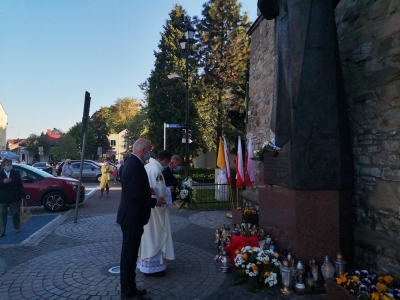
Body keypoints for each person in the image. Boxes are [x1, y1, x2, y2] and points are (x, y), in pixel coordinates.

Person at [117, 138, 166, 300]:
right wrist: (155, 201)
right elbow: (136, 195)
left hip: (130, 216)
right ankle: (128, 293)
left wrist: (149, 189)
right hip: (132, 217)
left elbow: (135, 188)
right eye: (149, 150)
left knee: (130, 256)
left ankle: (131, 288)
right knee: (129, 257)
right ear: (144, 150)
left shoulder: (130, 163)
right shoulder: (135, 165)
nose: (150, 154)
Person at [137, 150, 174, 277]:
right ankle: (154, 269)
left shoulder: (147, 166)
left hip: (148, 209)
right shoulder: (156, 171)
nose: (166, 164)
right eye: (167, 162)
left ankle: (148, 266)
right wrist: (169, 191)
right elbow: (159, 192)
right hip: (155, 211)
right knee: (155, 237)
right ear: (165, 161)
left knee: (148, 237)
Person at [0, 159, 26, 237]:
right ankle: (1, 231)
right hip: (2, 198)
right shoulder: (0, 174)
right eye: (8, 165)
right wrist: (3, 182)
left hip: (14, 197)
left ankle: (17, 227)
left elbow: (20, 185)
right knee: (2, 215)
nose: (9, 166)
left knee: (15, 214)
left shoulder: (16, 173)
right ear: (3, 166)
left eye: (10, 164)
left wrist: (22, 196)